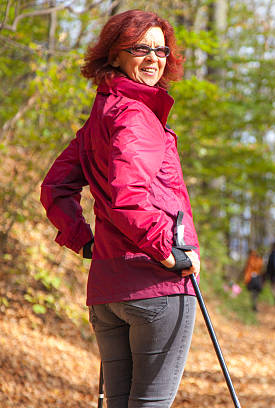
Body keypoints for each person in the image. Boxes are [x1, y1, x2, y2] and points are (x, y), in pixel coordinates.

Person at [40, 10, 200, 408]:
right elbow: (129, 198)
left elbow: (54, 188)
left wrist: (86, 243)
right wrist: (170, 253)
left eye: (160, 49)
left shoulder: (101, 117)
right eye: (140, 48)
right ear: (114, 55)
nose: (154, 58)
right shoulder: (136, 116)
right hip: (155, 286)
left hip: (107, 291)